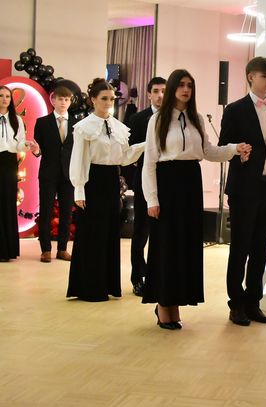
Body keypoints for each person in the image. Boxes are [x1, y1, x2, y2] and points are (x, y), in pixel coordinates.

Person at [142, 69, 251, 330]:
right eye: (181, 85)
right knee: (167, 245)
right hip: (167, 184)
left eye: (189, 85)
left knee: (185, 246)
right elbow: (150, 162)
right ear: (172, 88)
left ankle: (175, 303)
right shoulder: (158, 119)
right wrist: (152, 199)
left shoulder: (197, 119)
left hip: (191, 183)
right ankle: (164, 304)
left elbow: (208, 152)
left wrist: (234, 149)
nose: (185, 90)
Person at [218, 56, 266, 326]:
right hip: (243, 189)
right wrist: (241, 153)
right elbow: (225, 145)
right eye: (264, 75)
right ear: (250, 77)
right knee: (240, 247)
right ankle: (236, 304)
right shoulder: (235, 110)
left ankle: (253, 302)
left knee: (261, 248)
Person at [67, 78, 145, 302]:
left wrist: (145, 145)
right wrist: (79, 189)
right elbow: (79, 159)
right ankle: (89, 287)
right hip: (92, 182)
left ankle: (108, 284)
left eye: (111, 99)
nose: (109, 102)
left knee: (110, 232)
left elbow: (124, 157)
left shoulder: (118, 126)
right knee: (92, 233)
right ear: (93, 99)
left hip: (111, 182)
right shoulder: (84, 127)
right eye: (104, 98)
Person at [128, 76, 166, 296]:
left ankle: (158, 276)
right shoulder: (138, 119)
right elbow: (131, 150)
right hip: (144, 179)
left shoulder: (174, 117)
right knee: (141, 231)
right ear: (149, 94)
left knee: (162, 233)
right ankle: (138, 277)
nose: (160, 95)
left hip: (167, 182)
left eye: (164, 91)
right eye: (156, 91)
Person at [32, 86, 78, 263]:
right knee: (45, 211)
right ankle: (45, 250)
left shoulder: (77, 123)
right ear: (53, 100)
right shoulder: (42, 122)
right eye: (60, 99)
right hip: (48, 174)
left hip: (68, 175)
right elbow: (38, 150)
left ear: (70, 102)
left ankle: (62, 249)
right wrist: (36, 151)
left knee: (67, 213)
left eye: (67, 99)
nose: (63, 102)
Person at [0, 86, 37, 262]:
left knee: (8, 201)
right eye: (1, 95)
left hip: (8, 162)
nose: (4, 99)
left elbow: (19, 144)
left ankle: (7, 249)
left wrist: (27, 145)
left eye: (7, 96)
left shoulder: (17, 120)